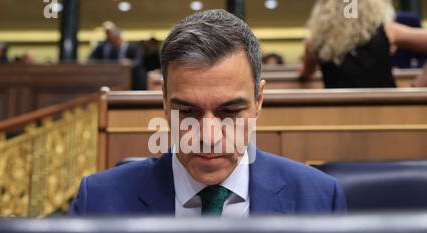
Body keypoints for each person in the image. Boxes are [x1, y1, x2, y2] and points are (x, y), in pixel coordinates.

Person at [69, 9, 346, 217]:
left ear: (258, 101)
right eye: (188, 111)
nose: (209, 136)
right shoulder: (97, 202)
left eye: (229, 112)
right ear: (164, 101)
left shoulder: (319, 199)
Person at [299, 0, 427, 88]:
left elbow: (306, 73)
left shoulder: (316, 41)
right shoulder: (386, 31)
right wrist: (416, 86)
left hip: (336, 114)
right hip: (387, 110)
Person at [88, 21, 146, 89]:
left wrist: (130, 63)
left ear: (119, 37)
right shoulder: (106, 48)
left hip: (132, 80)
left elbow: (138, 61)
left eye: (115, 39)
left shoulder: (132, 48)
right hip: (113, 79)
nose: (113, 42)